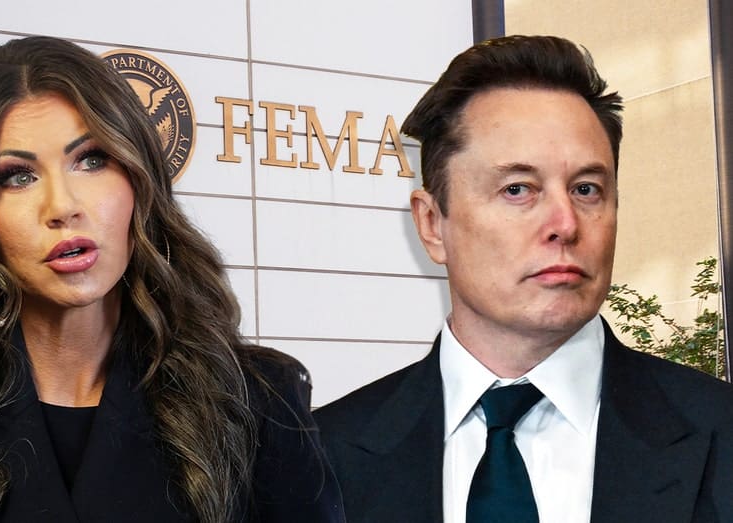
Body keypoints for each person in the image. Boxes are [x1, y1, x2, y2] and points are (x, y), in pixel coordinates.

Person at [0, 36, 344, 522]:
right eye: (18, 176)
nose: (62, 207)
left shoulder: (258, 398)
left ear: (139, 180)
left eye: (91, 160)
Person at [314, 35, 733, 523]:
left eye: (586, 189)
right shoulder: (320, 458)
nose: (565, 223)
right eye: (518, 189)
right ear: (432, 224)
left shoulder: (720, 432)